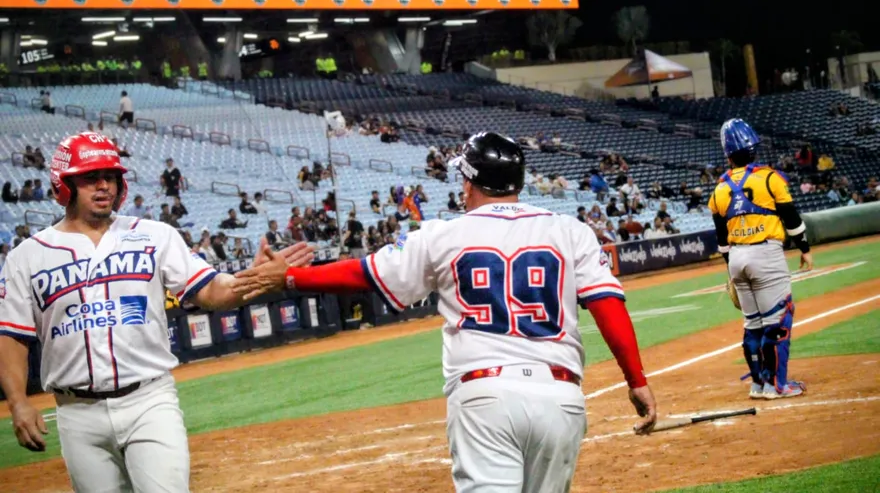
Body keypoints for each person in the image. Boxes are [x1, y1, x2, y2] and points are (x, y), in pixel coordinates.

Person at [232, 132, 657, 492]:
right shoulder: (571, 230)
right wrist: (636, 380)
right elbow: (607, 306)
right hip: (561, 397)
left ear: (470, 182)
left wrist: (290, 278)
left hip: (484, 398)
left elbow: (364, 271)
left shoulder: (443, 235)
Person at [0, 131, 313, 492]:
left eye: (111, 177)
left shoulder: (154, 235)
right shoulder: (28, 256)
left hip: (149, 400)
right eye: (91, 178)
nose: (104, 186)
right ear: (65, 185)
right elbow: (12, 337)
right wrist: (18, 402)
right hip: (75, 412)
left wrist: (252, 281)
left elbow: (209, 290)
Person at [709, 119, 813, 400]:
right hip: (765, 253)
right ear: (753, 148)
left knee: (752, 324)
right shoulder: (770, 178)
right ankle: (777, 385)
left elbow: (721, 239)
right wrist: (804, 247)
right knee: (779, 319)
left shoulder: (719, 188)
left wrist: (731, 270)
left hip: (737, 257)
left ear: (727, 153)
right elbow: (791, 219)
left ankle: (758, 384)